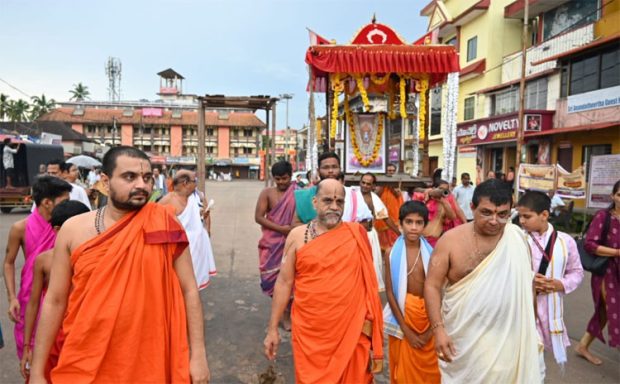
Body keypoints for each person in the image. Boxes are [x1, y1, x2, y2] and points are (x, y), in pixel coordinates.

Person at [29, 146, 209, 383]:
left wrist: (198, 355)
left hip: (148, 358)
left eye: (147, 178)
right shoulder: (74, 230)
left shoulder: (164, 221)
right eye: (129, 177)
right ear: (105, 181)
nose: (142, 185)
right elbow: (55, 300)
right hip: (86, 355)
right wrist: (37, 370)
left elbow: (189, 290)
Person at [264, 179, 384, 383]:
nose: (334, 207)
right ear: (314, 202)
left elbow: (368, 285)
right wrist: (272, 328)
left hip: (351, 330)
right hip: (310, 333)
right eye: (327, 200)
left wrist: (370, 323)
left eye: (340, 202)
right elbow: (284, 283)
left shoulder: (357, 234)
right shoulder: (297, 236)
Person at [424, 179, 542, 383]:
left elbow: (527, 288)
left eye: (503, 214)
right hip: (465, 340)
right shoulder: (450, 241)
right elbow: (432, 286)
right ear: (472, 207)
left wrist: (530, 328)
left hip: (507, 337)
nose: (495, 221)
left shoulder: (517, 240)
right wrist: (438, 330)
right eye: (486, 212)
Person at [3, 176, 72, 360]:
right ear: (47, 202)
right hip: (30, 296)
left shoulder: (67, 226)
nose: (68, 205)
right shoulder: (20, 228)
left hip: (59, 295)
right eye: (64, 201)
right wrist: (11, 298)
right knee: (31, 352)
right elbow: (9, 262)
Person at [20, 200, 91, 381]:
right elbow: (33, 304)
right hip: (54, 335)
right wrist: (28, 345)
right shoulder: (44, 261)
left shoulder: (97, 257)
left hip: (86, 333)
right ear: (58, 230)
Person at [517, 191, 583, 366]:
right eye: (520, 216)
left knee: (538, 357)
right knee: (527, 360)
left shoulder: (565, 241)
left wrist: (560, 284)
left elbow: (577, 272)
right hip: (522, 306)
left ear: (544, 215)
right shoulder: (516, 239)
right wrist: (530, 280)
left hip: (549, 310)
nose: (521, 220)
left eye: (527, 216)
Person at [384, 201, 440, 384]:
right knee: (403, 375)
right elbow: (391, 293)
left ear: (425, 225)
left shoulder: (434, 254)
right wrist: (406, 330)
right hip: (404, 321)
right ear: (400, 224)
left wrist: (430, 331)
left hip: (428, 320)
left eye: (418, 222)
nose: (414, 227)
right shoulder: (391, 253)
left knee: (431, 373)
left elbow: (440, 292)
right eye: (409, 222)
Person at [575, 180, 620, 366]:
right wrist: (616, 253)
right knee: (616, 310)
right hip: (606, 271)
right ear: (613, 196)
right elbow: (590, 244)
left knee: (603, 312)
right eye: (619, 195)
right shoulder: (604, 216)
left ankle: (582, 346)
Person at [159, 170, 216, 290]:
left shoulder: (198, 196)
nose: (196, 183)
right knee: (180, 284)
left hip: (198, 245)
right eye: (194, 181)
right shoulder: (168, 200)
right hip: (180, 248)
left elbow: (203, 216)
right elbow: (155, 222)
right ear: (185, 183)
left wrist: (204, 221)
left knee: (195, 283)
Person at [254, 161, 297, 318]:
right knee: (270, 279)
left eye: (284, 178)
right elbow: (258, 217)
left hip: (292, 242)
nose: (281, 182)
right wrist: (281, 229)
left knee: (292, 279)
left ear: (290, 177)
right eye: (278, 179)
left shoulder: (298, 192)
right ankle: (282, 312)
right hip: (271, 244)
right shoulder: (267, 193)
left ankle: (287, 314)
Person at [293, 152, 372, 225]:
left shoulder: (353, 195)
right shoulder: (304, 196)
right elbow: (295, 224)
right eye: (326, 167)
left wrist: (344, 233)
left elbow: (366, 224)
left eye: (334, 167)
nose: (330, 171)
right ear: (318, 171)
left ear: (340, 169)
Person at [358, 172, 394, 291]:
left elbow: (385, 217)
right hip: (355, 236)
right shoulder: (353, 195)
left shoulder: (374, 198)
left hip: (369, 236)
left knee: (371, 264)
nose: (365, 185)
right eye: (363, 182)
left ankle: (369, 291)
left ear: (373, 186)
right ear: (360, 182)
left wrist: (399, 234)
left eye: (369, 184)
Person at [375, 163, 404, 251]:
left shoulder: (398, 181)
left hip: (394, 214)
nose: (390, 172)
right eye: (389, 171)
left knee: (393, 237)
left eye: (392, 171)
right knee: (381, 240)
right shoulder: (381, 182)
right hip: (381, 214)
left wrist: (392, 184)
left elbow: (398, 194)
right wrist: (384, 183)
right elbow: (377, 195)